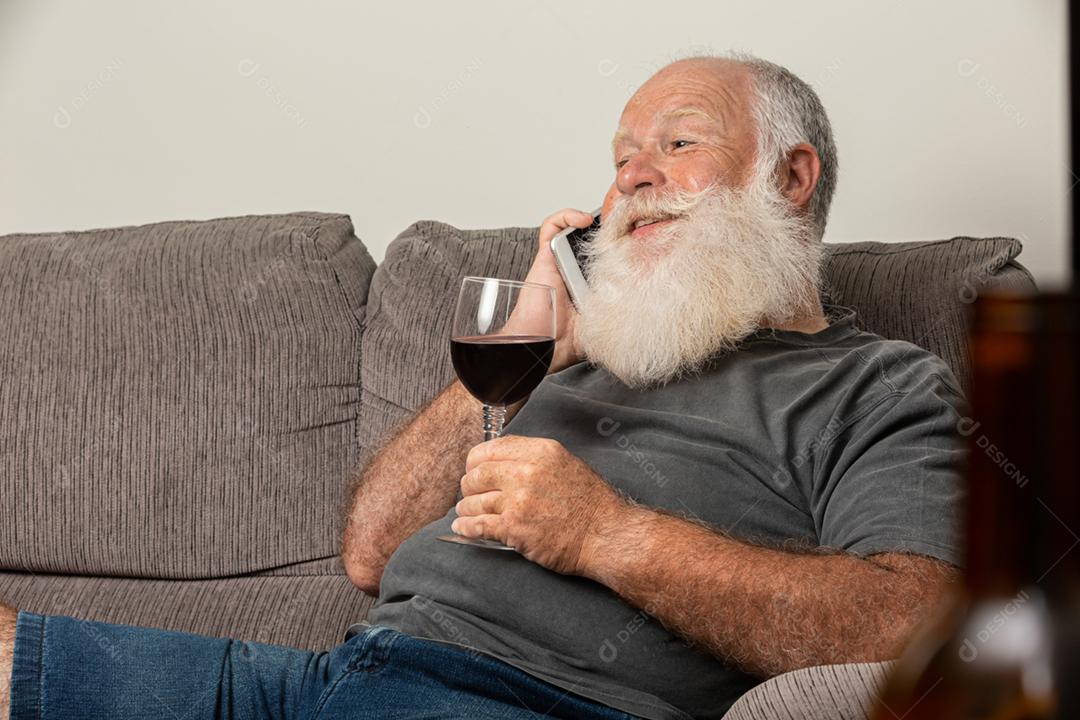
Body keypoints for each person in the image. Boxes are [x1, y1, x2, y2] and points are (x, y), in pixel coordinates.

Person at [0, 53, 965, 720]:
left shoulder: (876, 385)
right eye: (622, 153)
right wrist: (533, 346)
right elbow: (371, 553)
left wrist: (605, 534)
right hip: (322, 679)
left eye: (678, 144)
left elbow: (911, 623)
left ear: (792, 177)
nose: (631, 178)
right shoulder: (585, 347)